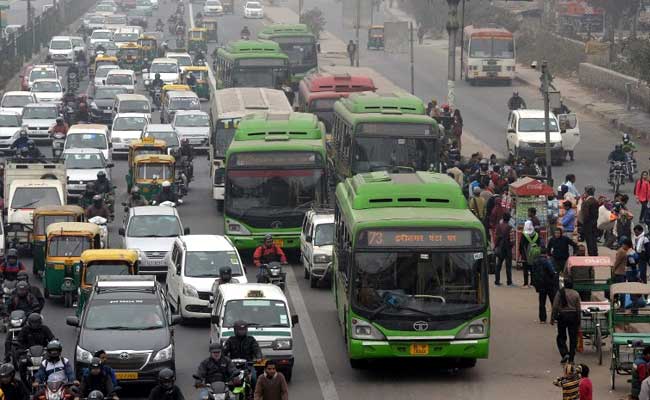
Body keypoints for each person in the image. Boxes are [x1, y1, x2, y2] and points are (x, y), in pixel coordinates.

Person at [223, 321, 262, 387]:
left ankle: (254, 395)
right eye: (240, 330)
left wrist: (259, 357)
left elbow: (257, 349)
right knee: (224, 377)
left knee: (253, 378)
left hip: (248, 365)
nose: (242, 332)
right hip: (233, 365)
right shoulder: (230, 340)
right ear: (235, 330)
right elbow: (224, 352)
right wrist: (223, 359)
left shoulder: (251, 339)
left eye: (244, 330)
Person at [551, 279, 581, 364]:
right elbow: (579, 309)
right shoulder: (576, 294)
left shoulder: (560, 292)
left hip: (562, 316)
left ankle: (564, 353)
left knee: (561, 336)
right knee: (573, 338)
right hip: (573, 317)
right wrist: (579, 320)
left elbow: (555, 306)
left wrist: (552, 318)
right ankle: (571, 358)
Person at [532, 247, 559, 324]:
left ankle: (542, 319)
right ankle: (555, 317)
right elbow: (552, 271)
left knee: (542, 302)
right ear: (546, 253)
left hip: (540, 285)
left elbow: (533, 272)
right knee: (553, 301)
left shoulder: (535, 261)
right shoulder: (547, 261)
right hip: (549, 284)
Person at [494, 213, 514, 286]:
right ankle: (509, 282)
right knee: (508, 266)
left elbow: (496, 237)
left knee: (498, 265)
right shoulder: (510, 227)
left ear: (503, 218)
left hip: (500, 247)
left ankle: (497, 281)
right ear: (509, 219)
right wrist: (511, 246)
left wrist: (496, 246)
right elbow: (512, 240)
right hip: (507, 248)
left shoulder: (498, 226)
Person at [519, 220, 541, 288]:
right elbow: (539, 244)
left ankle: (526, 284)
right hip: (534, 254)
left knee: (525, 269)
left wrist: (521, 253)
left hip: (525, 254)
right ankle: (532, 283)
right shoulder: (536, 234)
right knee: (533, 269)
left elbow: (521, 245)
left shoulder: (524, 234)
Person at [580, 185, 599, 256]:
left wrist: (583, 225)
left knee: (589, 240)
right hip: (594, 223)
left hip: (588, 224)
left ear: (587, 193)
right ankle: (595, 252)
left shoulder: (586, 202)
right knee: (593, 239)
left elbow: (585, 215)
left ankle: (591, 254)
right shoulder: (595, 201)